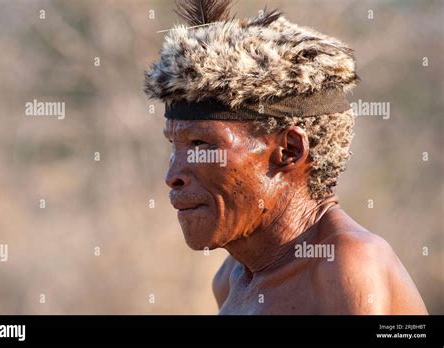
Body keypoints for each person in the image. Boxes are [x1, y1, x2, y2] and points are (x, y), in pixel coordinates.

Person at [144, 0, 427, 314]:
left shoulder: (346, 265)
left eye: (201, 144)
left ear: (289, 151)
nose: (173, 175)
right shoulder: (230, 280)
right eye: (175, 145)